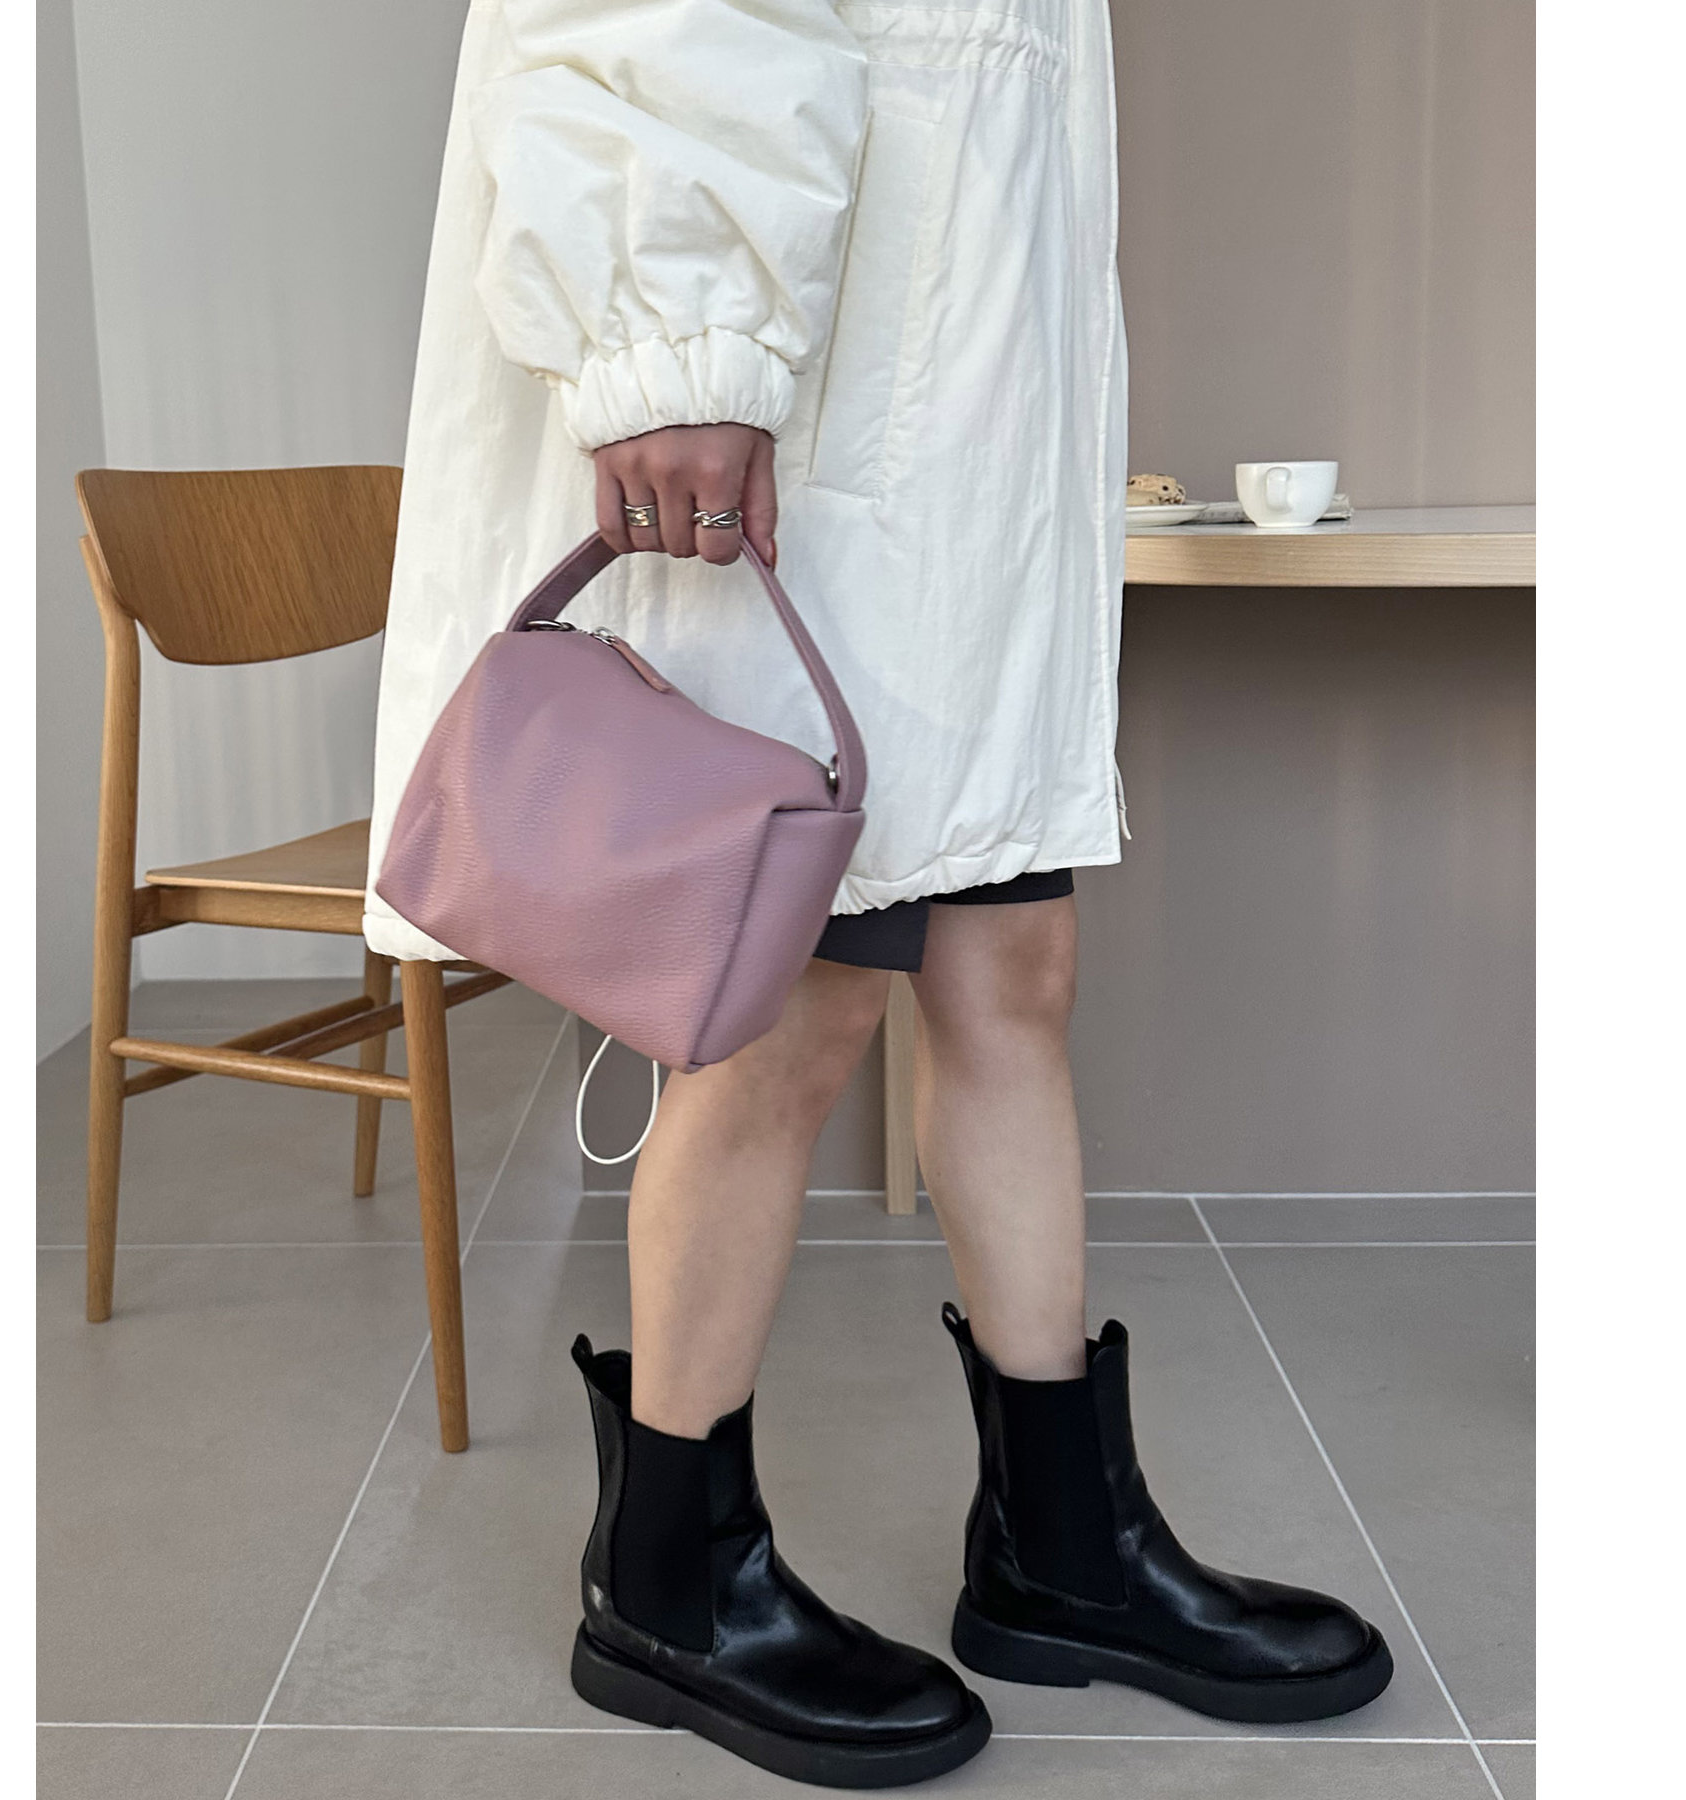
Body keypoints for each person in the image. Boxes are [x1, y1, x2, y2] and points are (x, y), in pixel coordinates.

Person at [365, 1, 1393, 1786]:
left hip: (968, 446)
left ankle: (1064, 1551)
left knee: (1016, 967)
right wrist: (678, 351)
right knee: (787, 1003)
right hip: (807, 416)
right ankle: (669, 1582)